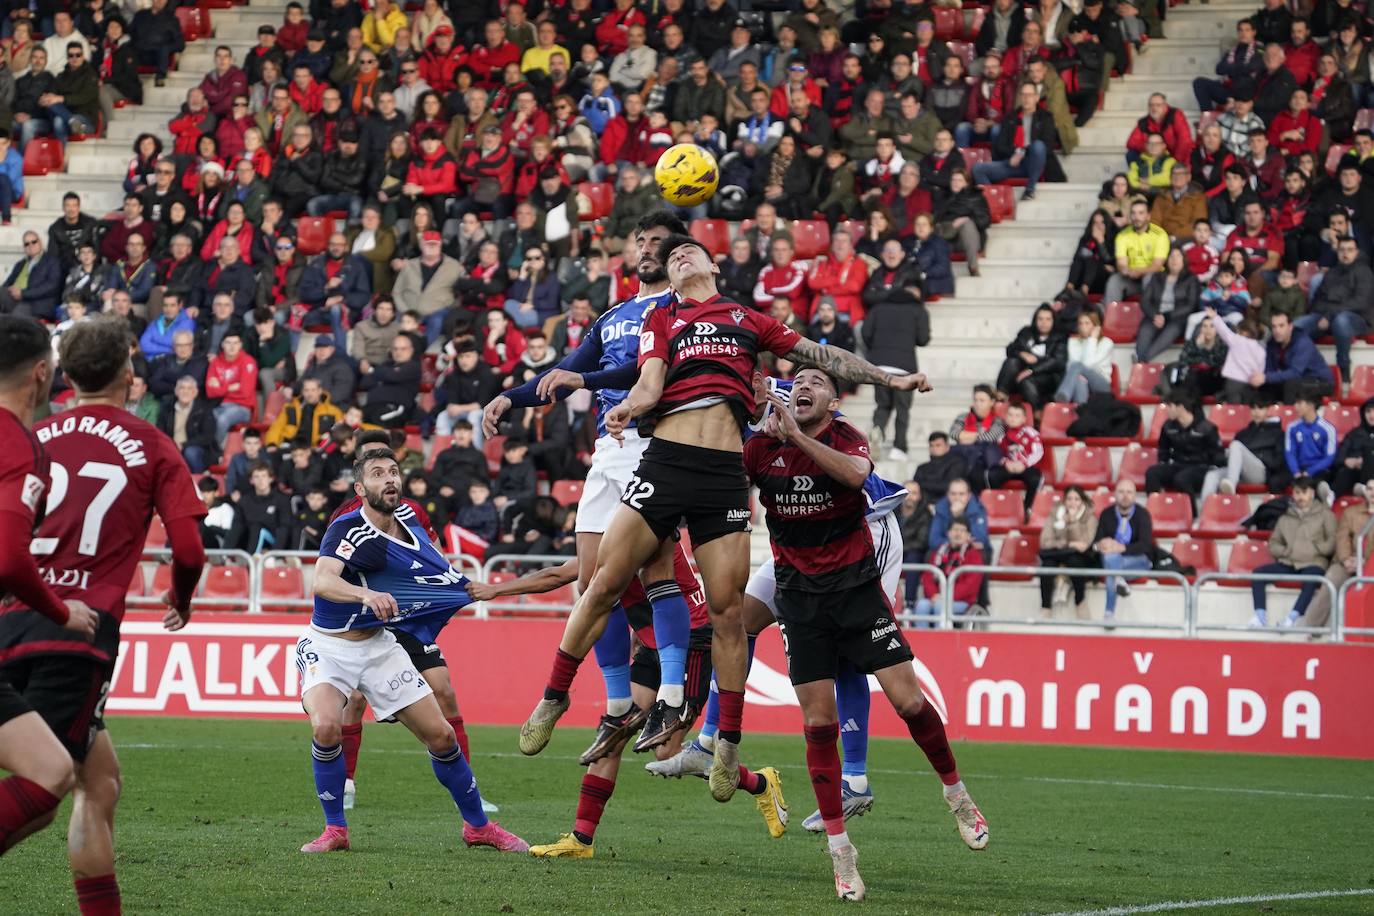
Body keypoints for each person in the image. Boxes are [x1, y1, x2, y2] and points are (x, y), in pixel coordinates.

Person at [514, 232, 929, 802]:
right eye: (674, 253)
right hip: (665, 461)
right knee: (604, 582)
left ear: (713, 265)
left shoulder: (748, 319)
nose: (681, 255)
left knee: (729, 615)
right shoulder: (660, 317)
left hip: (723, 475)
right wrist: (629, 407)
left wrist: (888, 378)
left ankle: (725, 745)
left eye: (691, 251)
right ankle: (554, 696)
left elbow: (822, 355)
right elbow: (650, 382)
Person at [742, 368, 986, 901]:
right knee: (818, 723)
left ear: (832, 402)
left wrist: (797, 436)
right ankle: (842, 853)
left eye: (817, 383)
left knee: (910, 703)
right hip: (800, 600)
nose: (803, 386)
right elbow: (726, 484)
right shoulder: (760, 448)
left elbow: (854, 477)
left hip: (855, 590)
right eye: (798, 380)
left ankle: (957, 795)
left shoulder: (845, 437)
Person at [485, 212, 716, 757]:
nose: (648, 248)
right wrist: (510, 397)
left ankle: (670, 693)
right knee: (591, 583)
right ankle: (617, 705)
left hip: (651, 443)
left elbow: (640, 374)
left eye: (659, 241)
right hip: (607, 453)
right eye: (642, 239)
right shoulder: (614, 314)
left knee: (656, 568)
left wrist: (582, 380)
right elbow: (566, 370)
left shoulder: (680, 312)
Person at [1, 317, 204, 912]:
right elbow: (189, 549)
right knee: (48, 781)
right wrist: (182, 597)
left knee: (102, 779)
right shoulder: (151, 443)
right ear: (129, 375)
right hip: (74, 631)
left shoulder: (36, 431)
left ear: (64, 375)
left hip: (14, 609)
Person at [298, 447, 526, 854]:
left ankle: (478, 827)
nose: (389, 479)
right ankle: (335, 830)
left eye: (393, 471)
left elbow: (430, 569)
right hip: (329, 646)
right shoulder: (347, 528)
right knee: (326, 726)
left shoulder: (408, 520)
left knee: (441, 737)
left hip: (379, 646)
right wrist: (365, 595)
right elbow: (323, 581)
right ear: (359, 487)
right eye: (377, 474)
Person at [0, 316, 100, 862]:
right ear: (41, 374)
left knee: (64, 771)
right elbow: (11, 559)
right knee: (49, 772)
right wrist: (61, 612)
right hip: (42, 619)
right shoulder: (22, 445)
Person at [1248, 475, 1335, 629]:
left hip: (1313, 562)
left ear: (1312, 493)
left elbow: (1333, 540)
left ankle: (1292, 617)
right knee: (1257, 574)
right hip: (1289, 561)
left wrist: (1317, 549)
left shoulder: (1325, 514)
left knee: (1311, 578)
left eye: (1303, 492)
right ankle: (1260, 616)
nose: (1300, 496)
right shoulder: (1285, 518)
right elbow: (1274, 543)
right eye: (1296, 492)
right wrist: (1286, 551)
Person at [1294, 235, 1374, 381]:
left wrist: (1330, 314)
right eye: (1342, 250)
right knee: (1297, 326)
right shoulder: (1331, 273)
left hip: (1356, 319)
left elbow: (1360, 302)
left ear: (1356, 252)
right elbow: (1317, 300)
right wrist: (1324, 315)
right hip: (1326, 316)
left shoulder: (1365, 272)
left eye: (1350, 250)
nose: (1345, 253)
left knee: (1341, 321)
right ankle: (1302, 370)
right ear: (1337, 252)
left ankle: (1343, 370)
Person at [972, 82, 1055, 201]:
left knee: (1038, 145)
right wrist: (1014, 153)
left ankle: (1030, 189)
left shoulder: (1046, 117)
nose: (1026, 98)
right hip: (1012, 162)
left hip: (1033, 162)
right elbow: (1000, 145)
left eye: (1030, 95)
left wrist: (1021, 152)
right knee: (977, 169)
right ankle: (993, 200)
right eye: (1024, 95)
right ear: (1020, 97)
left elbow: (1047, 145)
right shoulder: (1011, 117)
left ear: (1037, 97)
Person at [1093, 478, 1154, 620]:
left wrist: (1122, 548)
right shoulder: (1106, 514)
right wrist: (1101, 545)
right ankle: (1118, 580)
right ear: (1115, 494)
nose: (1125, 496)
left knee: (1111, 567)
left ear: (1135, 495)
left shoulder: (1142, 514)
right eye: (1121, 492)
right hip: (1112, 561)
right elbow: (1095, 544)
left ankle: (1109, 612)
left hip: (1138, 562)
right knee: (1111, 562)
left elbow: (1146, 545)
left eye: (1129, 492)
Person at [1145, 394, 1225, 502]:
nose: (1167, 410)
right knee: (1152, 473)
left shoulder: (1206, 427)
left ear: (1180, 408)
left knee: (1181, 479)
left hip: (1201, 467)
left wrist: (1216, 470)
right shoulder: (1168, 426)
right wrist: (1163, 462)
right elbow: (1163, 449)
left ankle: (1191, 514)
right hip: (1178, 464)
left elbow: (1217, 453)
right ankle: (1156, 507)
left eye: (1170, 406)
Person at [1200, 399, 1286, 499]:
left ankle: (1231, 483)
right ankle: (1206, 509)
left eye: (1260, 408)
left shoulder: (1278, 433)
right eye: (1253, 408)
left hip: (1261, 473)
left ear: (1268, 410)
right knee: (1212, 475)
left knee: (1236, 445)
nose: (1256, 412)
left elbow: (1278, 461)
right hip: (1239, 472)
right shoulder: (1243, 433)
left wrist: (1258, 456)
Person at [1037, 485, 1097, 616]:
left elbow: (1084, 544)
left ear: (1083, 501)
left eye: (1076, 499)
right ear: (1064, 501)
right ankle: (1045, 606)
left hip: (1079, 556)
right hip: (1058, 553)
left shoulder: (1090, 518)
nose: (1072, 503)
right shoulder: (1054, 515)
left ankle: (1080, 601)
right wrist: (1068, 543)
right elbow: (1045, 542)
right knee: (1047, 564)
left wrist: (1073, 522)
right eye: (1069, 499)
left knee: (1075, 560)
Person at [914, 517, 985, 627]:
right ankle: (921, 642)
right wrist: (934, 594)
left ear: (968, 535)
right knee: (921, 605)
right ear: (948, 533)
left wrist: (946, 597)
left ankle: (941, 641)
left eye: (962, 530)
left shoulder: (974, 555)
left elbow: (970, 585)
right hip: (937, 597)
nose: (958, 534)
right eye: (955, 530)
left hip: (961, 601)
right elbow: (928, 576)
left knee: (940, 606)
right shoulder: (939, 551)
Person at [1135, 246, 1200, 362]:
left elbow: (1191, 305)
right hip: (1155, 316)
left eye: (1178, 257)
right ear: (1167, 260)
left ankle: (1142, 362)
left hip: (1177, 318)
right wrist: (1155, 315)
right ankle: (1141, 363)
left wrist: (1166, 316)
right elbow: (1145, 301)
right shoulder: (1157, 277)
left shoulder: (1191, 279)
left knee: (1170, 332)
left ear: (1183, 260)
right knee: (1144, 331)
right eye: (1171, 257)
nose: (1174, 260)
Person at [1254, 311, 1334, 404]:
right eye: (1274, 326)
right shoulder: (1272, 343)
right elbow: (1269, 369)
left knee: (1291, 385)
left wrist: (1266, 377)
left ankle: (1289, 416)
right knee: (1264, 386)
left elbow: (1296, 373)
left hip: (1321, 382)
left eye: (1281, 326)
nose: (1277, 330)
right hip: (1296, 381)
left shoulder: (1302, 342)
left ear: (1290, 326)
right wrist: (1261, 379)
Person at [997, 304, 1066, 408]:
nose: (1044, 323)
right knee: (1012, 361)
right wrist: (1022, 354)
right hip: (1023, 372)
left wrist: (1032, 370)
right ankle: (1001, 395)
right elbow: (1011, 348)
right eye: (1040, 319)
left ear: (1053, 321)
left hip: (1048, 376)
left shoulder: (1060, 337)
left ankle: (1038, 410)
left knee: (1026, 381)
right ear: (1035, 320)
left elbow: (1057, 362)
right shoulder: (1026, 332)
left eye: (1048, 319)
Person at [1105, 199, 1169, 304]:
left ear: (1148, 216)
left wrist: (1139, 271)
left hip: (1154, 277)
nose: (1136, 217)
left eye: (1141, 213)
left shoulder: (1160, 235)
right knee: (1115, 280)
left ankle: (1149, 316)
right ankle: (1111, 317)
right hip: (1131, 277)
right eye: (1133, 213)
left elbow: (1157, 265)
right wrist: (1127, 271)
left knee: (1148, 278)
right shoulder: (1123, 235)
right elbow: (1121, 264)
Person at [987, 401, 1044, 514]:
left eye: (1017, 416)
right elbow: (996, 453)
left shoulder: (1031, 433)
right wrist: (1005, 463)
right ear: (1006, 417)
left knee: (1035, 478)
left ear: (1024, 419)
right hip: (1008, 466)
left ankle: (1028, 508)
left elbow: (1038, 452)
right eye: (1010, 415)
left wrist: (1024, 464)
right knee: (991, 475)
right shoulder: (1001, 435)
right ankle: (1000, 506)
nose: (1013, 418)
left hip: (1025, 467)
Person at [1054, 310, 1114, 404]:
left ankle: (1063, 394)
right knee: (1079, 379)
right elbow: (1071, 367)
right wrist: (1081, 374)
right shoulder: (1073, 342)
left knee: (1077, 366)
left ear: (1096, 326)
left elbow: (1088, 365)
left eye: (1087, 323)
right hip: (1079, 379)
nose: (1083, 327)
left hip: (1101, 383)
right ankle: (1081, 410)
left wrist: (1092, 339)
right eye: (1081, 324)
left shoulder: (1107, 343)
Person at [0, 231, 62, 320]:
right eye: (26, 244)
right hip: (17, 299)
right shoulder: (21, 264)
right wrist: (10, 289)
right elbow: (8, 283)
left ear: (40, 242)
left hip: (38, 303)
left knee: (18, 313)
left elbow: (51, 286)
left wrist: (23, 293)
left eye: (34, 242)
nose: (30, 245)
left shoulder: (52, 262)